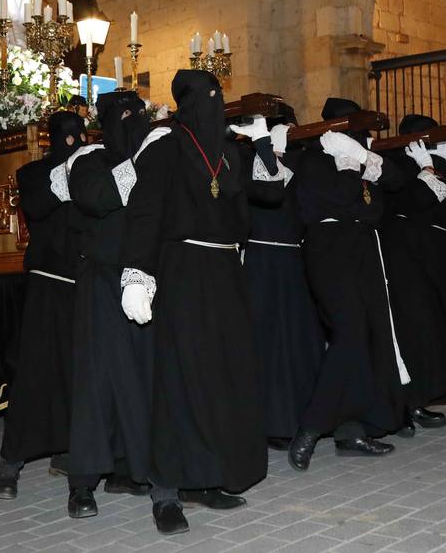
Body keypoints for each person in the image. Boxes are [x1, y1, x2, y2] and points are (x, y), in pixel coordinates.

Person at [120, 71, 286, 535]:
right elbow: (145, 211)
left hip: (225, 276)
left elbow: (272, 193)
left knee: (220, 377)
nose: (216, 105)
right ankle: (166, 489)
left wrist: (263, 145)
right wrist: (136, 274)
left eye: (220, 97)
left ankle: (206, 474)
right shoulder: (165, 145)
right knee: (177, 379)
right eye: (209, 98)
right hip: (181, 272)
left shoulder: (229, 153)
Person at [287, 97, 404, 473]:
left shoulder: (357, 156)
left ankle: (351, 430)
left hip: (364, 250)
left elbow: (378, 206)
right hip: (328, 251)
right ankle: (311, 426)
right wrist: (352, 172)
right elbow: (336, 200)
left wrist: (358, 162)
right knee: (349, 332)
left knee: (366, 338)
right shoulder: (312, 159)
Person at [65, 92, 158, 517]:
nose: (134, 122)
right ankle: (83, 482)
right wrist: (137, 161)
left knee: (143, 378)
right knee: (96, 381)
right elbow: (97, 198)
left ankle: (136, 467)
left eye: (139, 115)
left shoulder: (153, 153)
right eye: (126, 117)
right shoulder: (88, 160)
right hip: (101, 282)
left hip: (145, 277)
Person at [0, 112, 86, 501]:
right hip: (46, 287)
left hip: (82, 287)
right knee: (33, 376)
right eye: (70, 137)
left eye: (82, 135)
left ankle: (67, 451)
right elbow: (39, 205)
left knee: (75, 374)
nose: (76, 141)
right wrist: (70, 172)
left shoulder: (88, 169)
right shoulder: (32, 174)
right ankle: (10, 464)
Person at [383, 114, 446, 431]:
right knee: (415, 329)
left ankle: (420, 398)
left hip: (435, 255)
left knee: (435, 329)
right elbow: (426, 201)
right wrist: (425, 171)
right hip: (409, 257)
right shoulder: (396, 164)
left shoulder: (433, 159)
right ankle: (405, 404)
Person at [239, 106, 325, 449]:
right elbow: (263, 192)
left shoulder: (303, 160)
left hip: (293, 257)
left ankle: (299, 416)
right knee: (265, 340)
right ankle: (264, 420)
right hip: (260, 258)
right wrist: (268, 150)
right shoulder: (250, 157)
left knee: (296, 339)